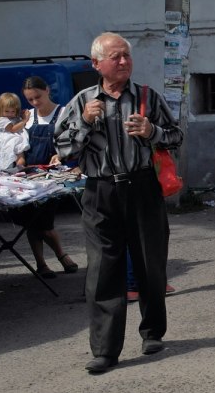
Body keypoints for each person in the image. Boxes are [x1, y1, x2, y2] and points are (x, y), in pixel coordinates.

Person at [54, 32, 183, 375]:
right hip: (100, 192)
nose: (124, 61)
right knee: (102, 271)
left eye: (127, 55)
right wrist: (84, 122)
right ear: (97, 64)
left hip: (142, 188)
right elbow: (64, 151)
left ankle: (153, 332)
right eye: (116, 57)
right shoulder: (81, 102)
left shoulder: (147, 97)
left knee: (150, 263)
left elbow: (177, 135)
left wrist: (151, 131)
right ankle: (105, 350)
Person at [13, 76, 78, 278]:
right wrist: (20, 159)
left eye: (37, 97)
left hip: (52, 176)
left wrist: (62, 154)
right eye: (30, 99)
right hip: (30, 176)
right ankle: (42, 264)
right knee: (32, 220)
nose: (34, 103)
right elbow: (17, 144)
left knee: (45, 221)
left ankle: (61, 256)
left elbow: (74, 141)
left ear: (47, 90)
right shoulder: (27, 116)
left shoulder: (63, 113)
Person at [0, 92, 30, 172]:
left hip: (17, 141)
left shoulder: (15, 118)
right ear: (0, 109)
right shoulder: (1, 120)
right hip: (7, 143)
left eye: (13, 111)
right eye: (7, 111)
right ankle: (4, 172)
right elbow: (12, 129)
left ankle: (20, 169)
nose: (10, 114)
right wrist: (24, 120)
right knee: (6, 159)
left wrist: (22, 116)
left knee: (21, 157)